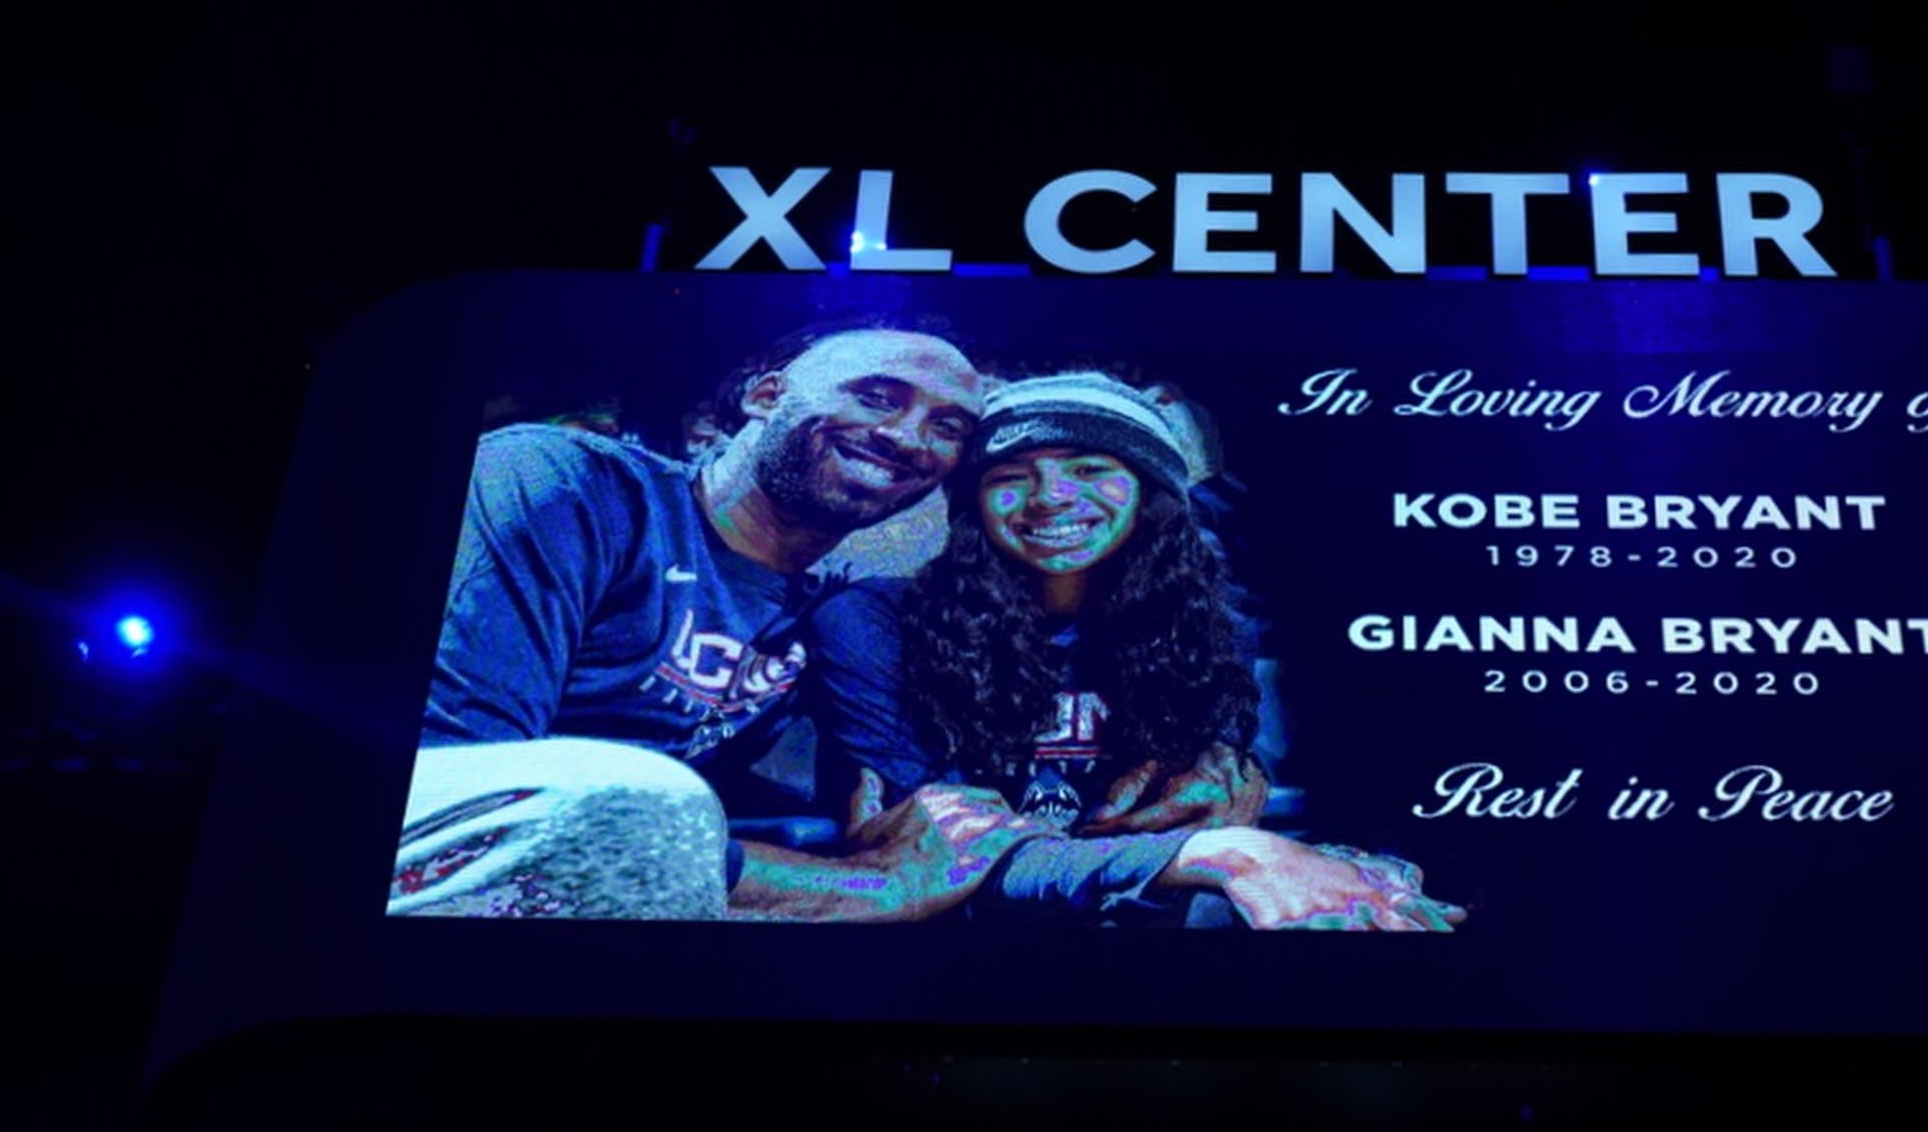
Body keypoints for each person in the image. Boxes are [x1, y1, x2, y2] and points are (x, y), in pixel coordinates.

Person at [394, 321, 1046, 920]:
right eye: (877, 396)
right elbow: (459, 788)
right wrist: (874, 887)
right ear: (766, 395)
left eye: (949, 427)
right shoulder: (566, 484)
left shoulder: (823, 613)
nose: (907, 437)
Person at [810, 371, 1462, 930]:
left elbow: (1192, 818)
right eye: (1010, 475)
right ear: (972, 503)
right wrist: (1227, 855)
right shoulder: (871, 620)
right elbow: (932, 862)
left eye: (1090, 469)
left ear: (1152, 495)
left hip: (1145, 932)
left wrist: (1319, 873)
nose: (1050, 496)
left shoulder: (1208, 626)